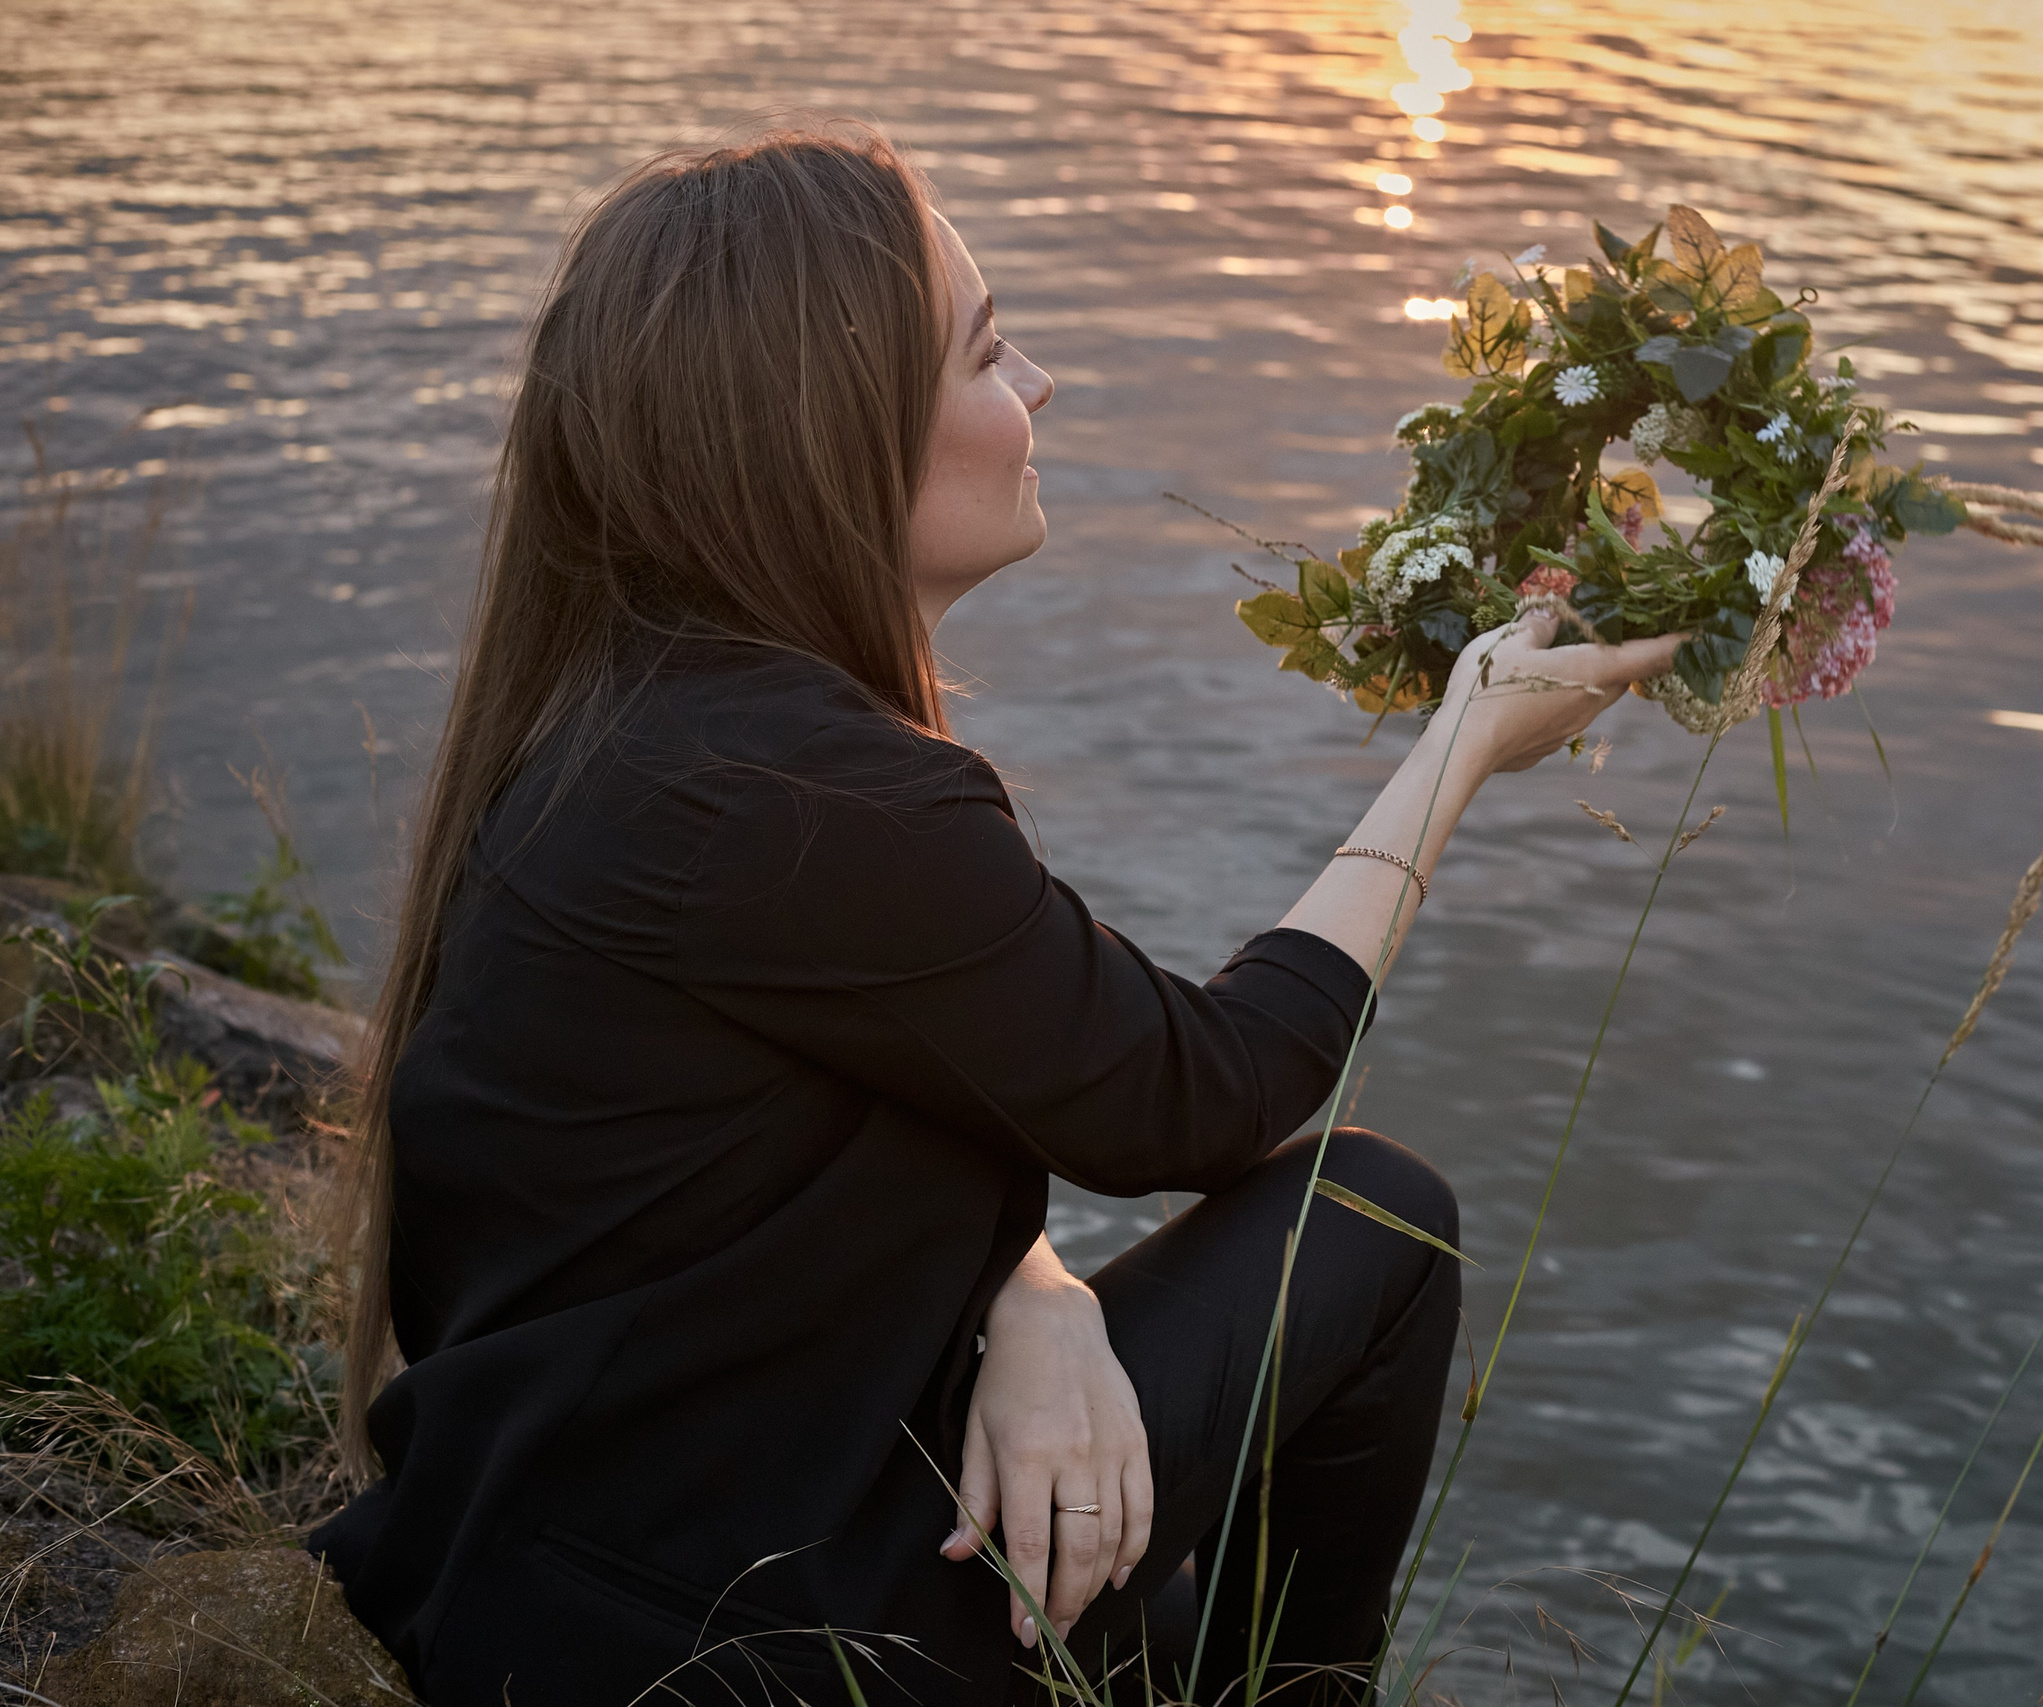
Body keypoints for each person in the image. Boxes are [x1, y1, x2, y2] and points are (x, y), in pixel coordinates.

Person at [312, 125, 1684, 1706]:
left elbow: (873, 1106)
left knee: (1149, 1623)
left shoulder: (627, 728)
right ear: (828, 440)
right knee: (1374, 1215)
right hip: (755, 1643)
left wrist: (1038, 1300)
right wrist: (1458, 753)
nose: (1038, 386)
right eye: (982, 350)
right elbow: (1206, 1093)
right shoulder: (818, 799)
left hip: (556, 1575)